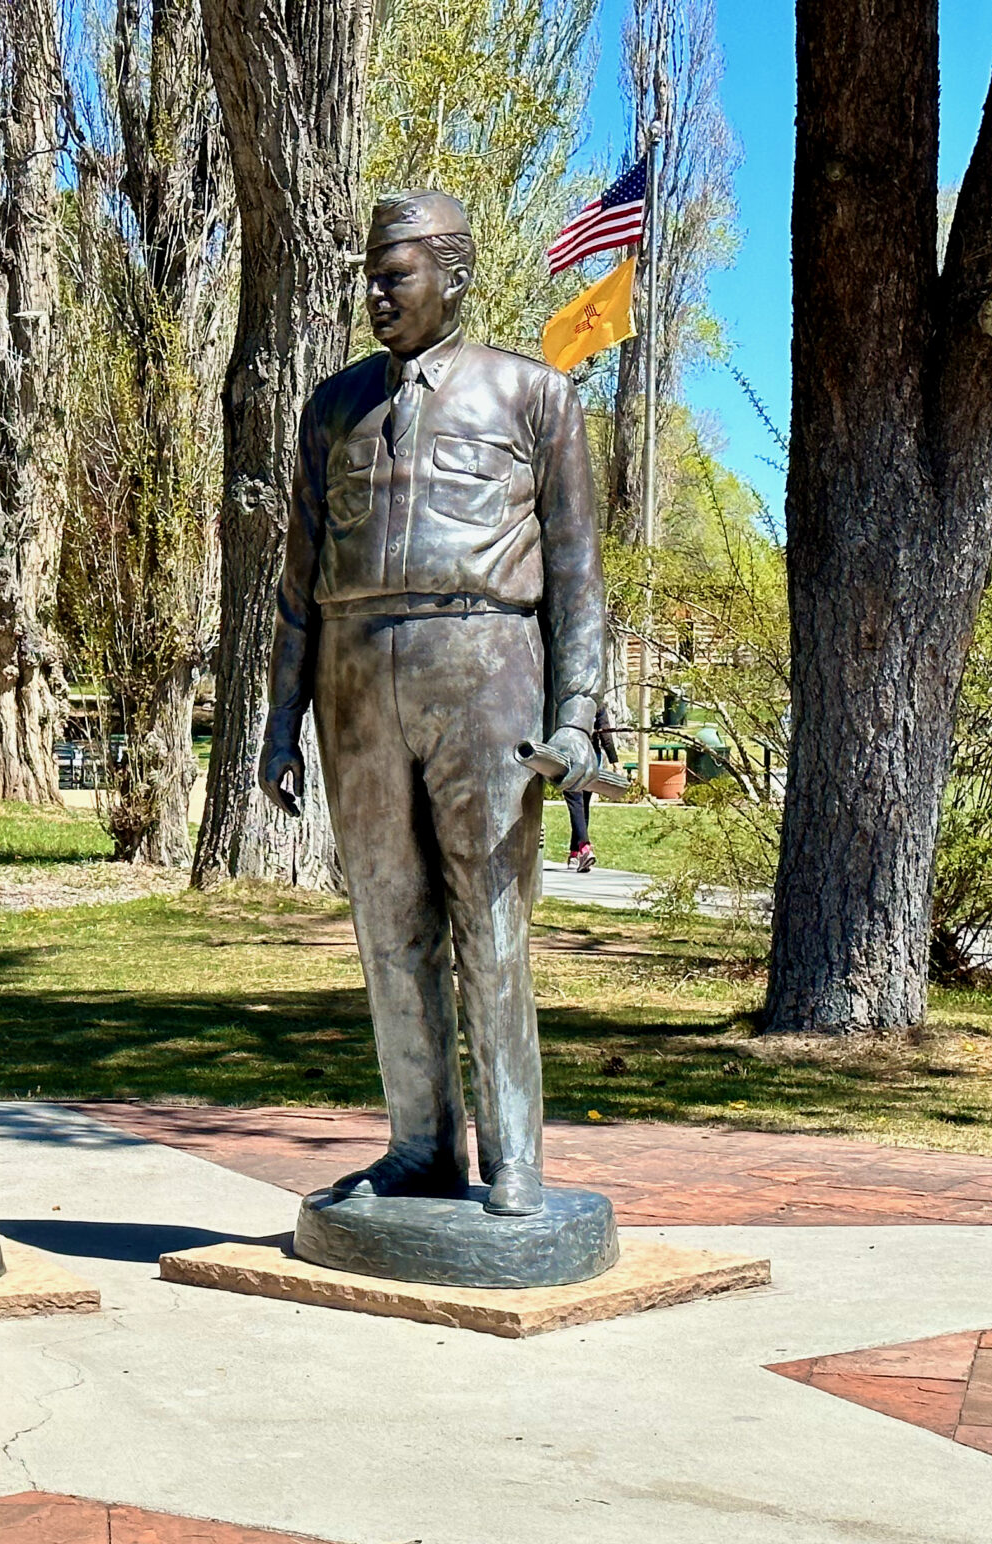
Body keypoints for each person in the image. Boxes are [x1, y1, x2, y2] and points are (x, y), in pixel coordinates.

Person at [257, 190, 610, 1218]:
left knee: (490, 919)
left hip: (486, 663)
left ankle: (513, 1156)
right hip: (354, 668)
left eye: (394, 273)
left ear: (454, 276)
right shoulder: (332, 407)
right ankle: (417, 1146)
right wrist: (282, 722)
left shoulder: (534, 397)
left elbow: (579, 572)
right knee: (386, 919)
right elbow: (294, 582)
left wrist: (577, 710)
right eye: (368, 273)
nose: (374, 291)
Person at [564, 703, 619, 872]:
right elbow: (605, 733)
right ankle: (575, 852)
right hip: (592, 758)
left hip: (571, 755)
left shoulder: (568, 702)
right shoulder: (598, 704)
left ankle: (584, 849)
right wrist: (614, 760)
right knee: (582, 805)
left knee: (576, 802)